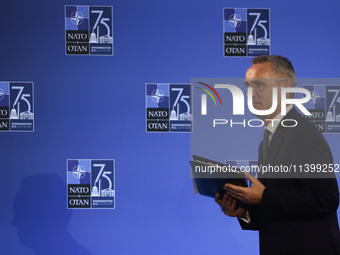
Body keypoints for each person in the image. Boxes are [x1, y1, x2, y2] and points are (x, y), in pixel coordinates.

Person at [215, 55, 340, 255]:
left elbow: (326, 199)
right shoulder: (266, 141)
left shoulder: (302, 133)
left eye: (259, 84)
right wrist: (245, 212)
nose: (251, 92)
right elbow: (280, 208)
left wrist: (264, 196)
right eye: (248, 86)